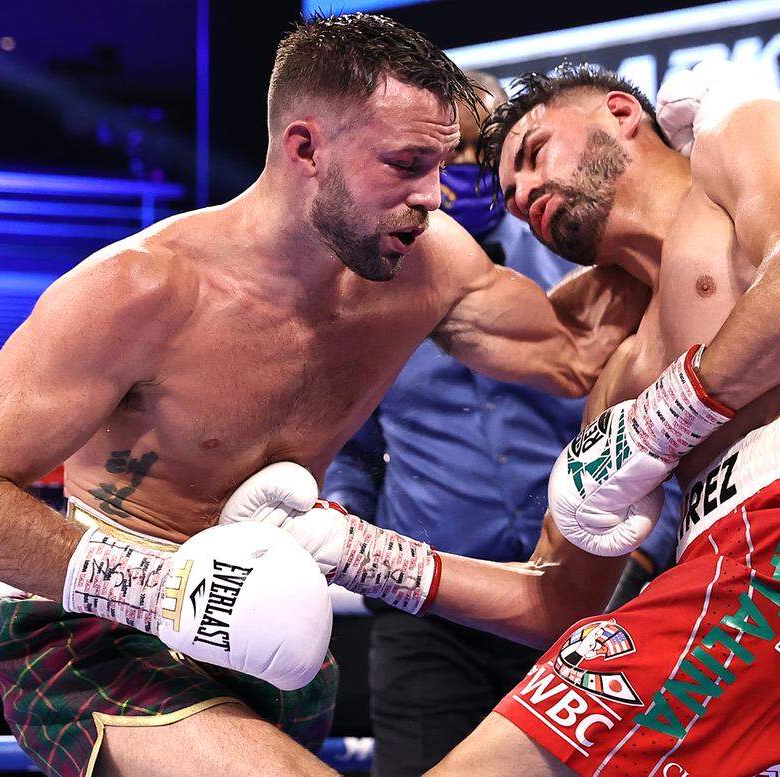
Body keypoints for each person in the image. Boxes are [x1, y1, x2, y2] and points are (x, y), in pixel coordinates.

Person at [0, 18, 648, 776]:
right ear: (305, 149)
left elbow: (577, 352)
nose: (433, 196)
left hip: (281, 646)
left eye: (438, 165)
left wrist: (670, 190)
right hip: (105, 633)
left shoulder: (430, 270)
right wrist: (168, 592)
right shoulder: (139, 290)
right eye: (405, 164)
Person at [267, 61, 780, 775]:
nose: (525, 193)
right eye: (512, 196)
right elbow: (556, 598)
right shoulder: (625, 371)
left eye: (533, 152)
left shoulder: (737, 134)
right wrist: (356, 551)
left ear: (620, 112)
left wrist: (662, 421)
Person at [323, 70, 594, 776]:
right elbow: (351, 444)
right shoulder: (366, 290)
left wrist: (645, 557)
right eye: (448, 154)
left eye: (483, 151)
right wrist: (344, 524)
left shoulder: (582, 266)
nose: (466, 167)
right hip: (429, 611)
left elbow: (648, 414)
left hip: (581, 594)